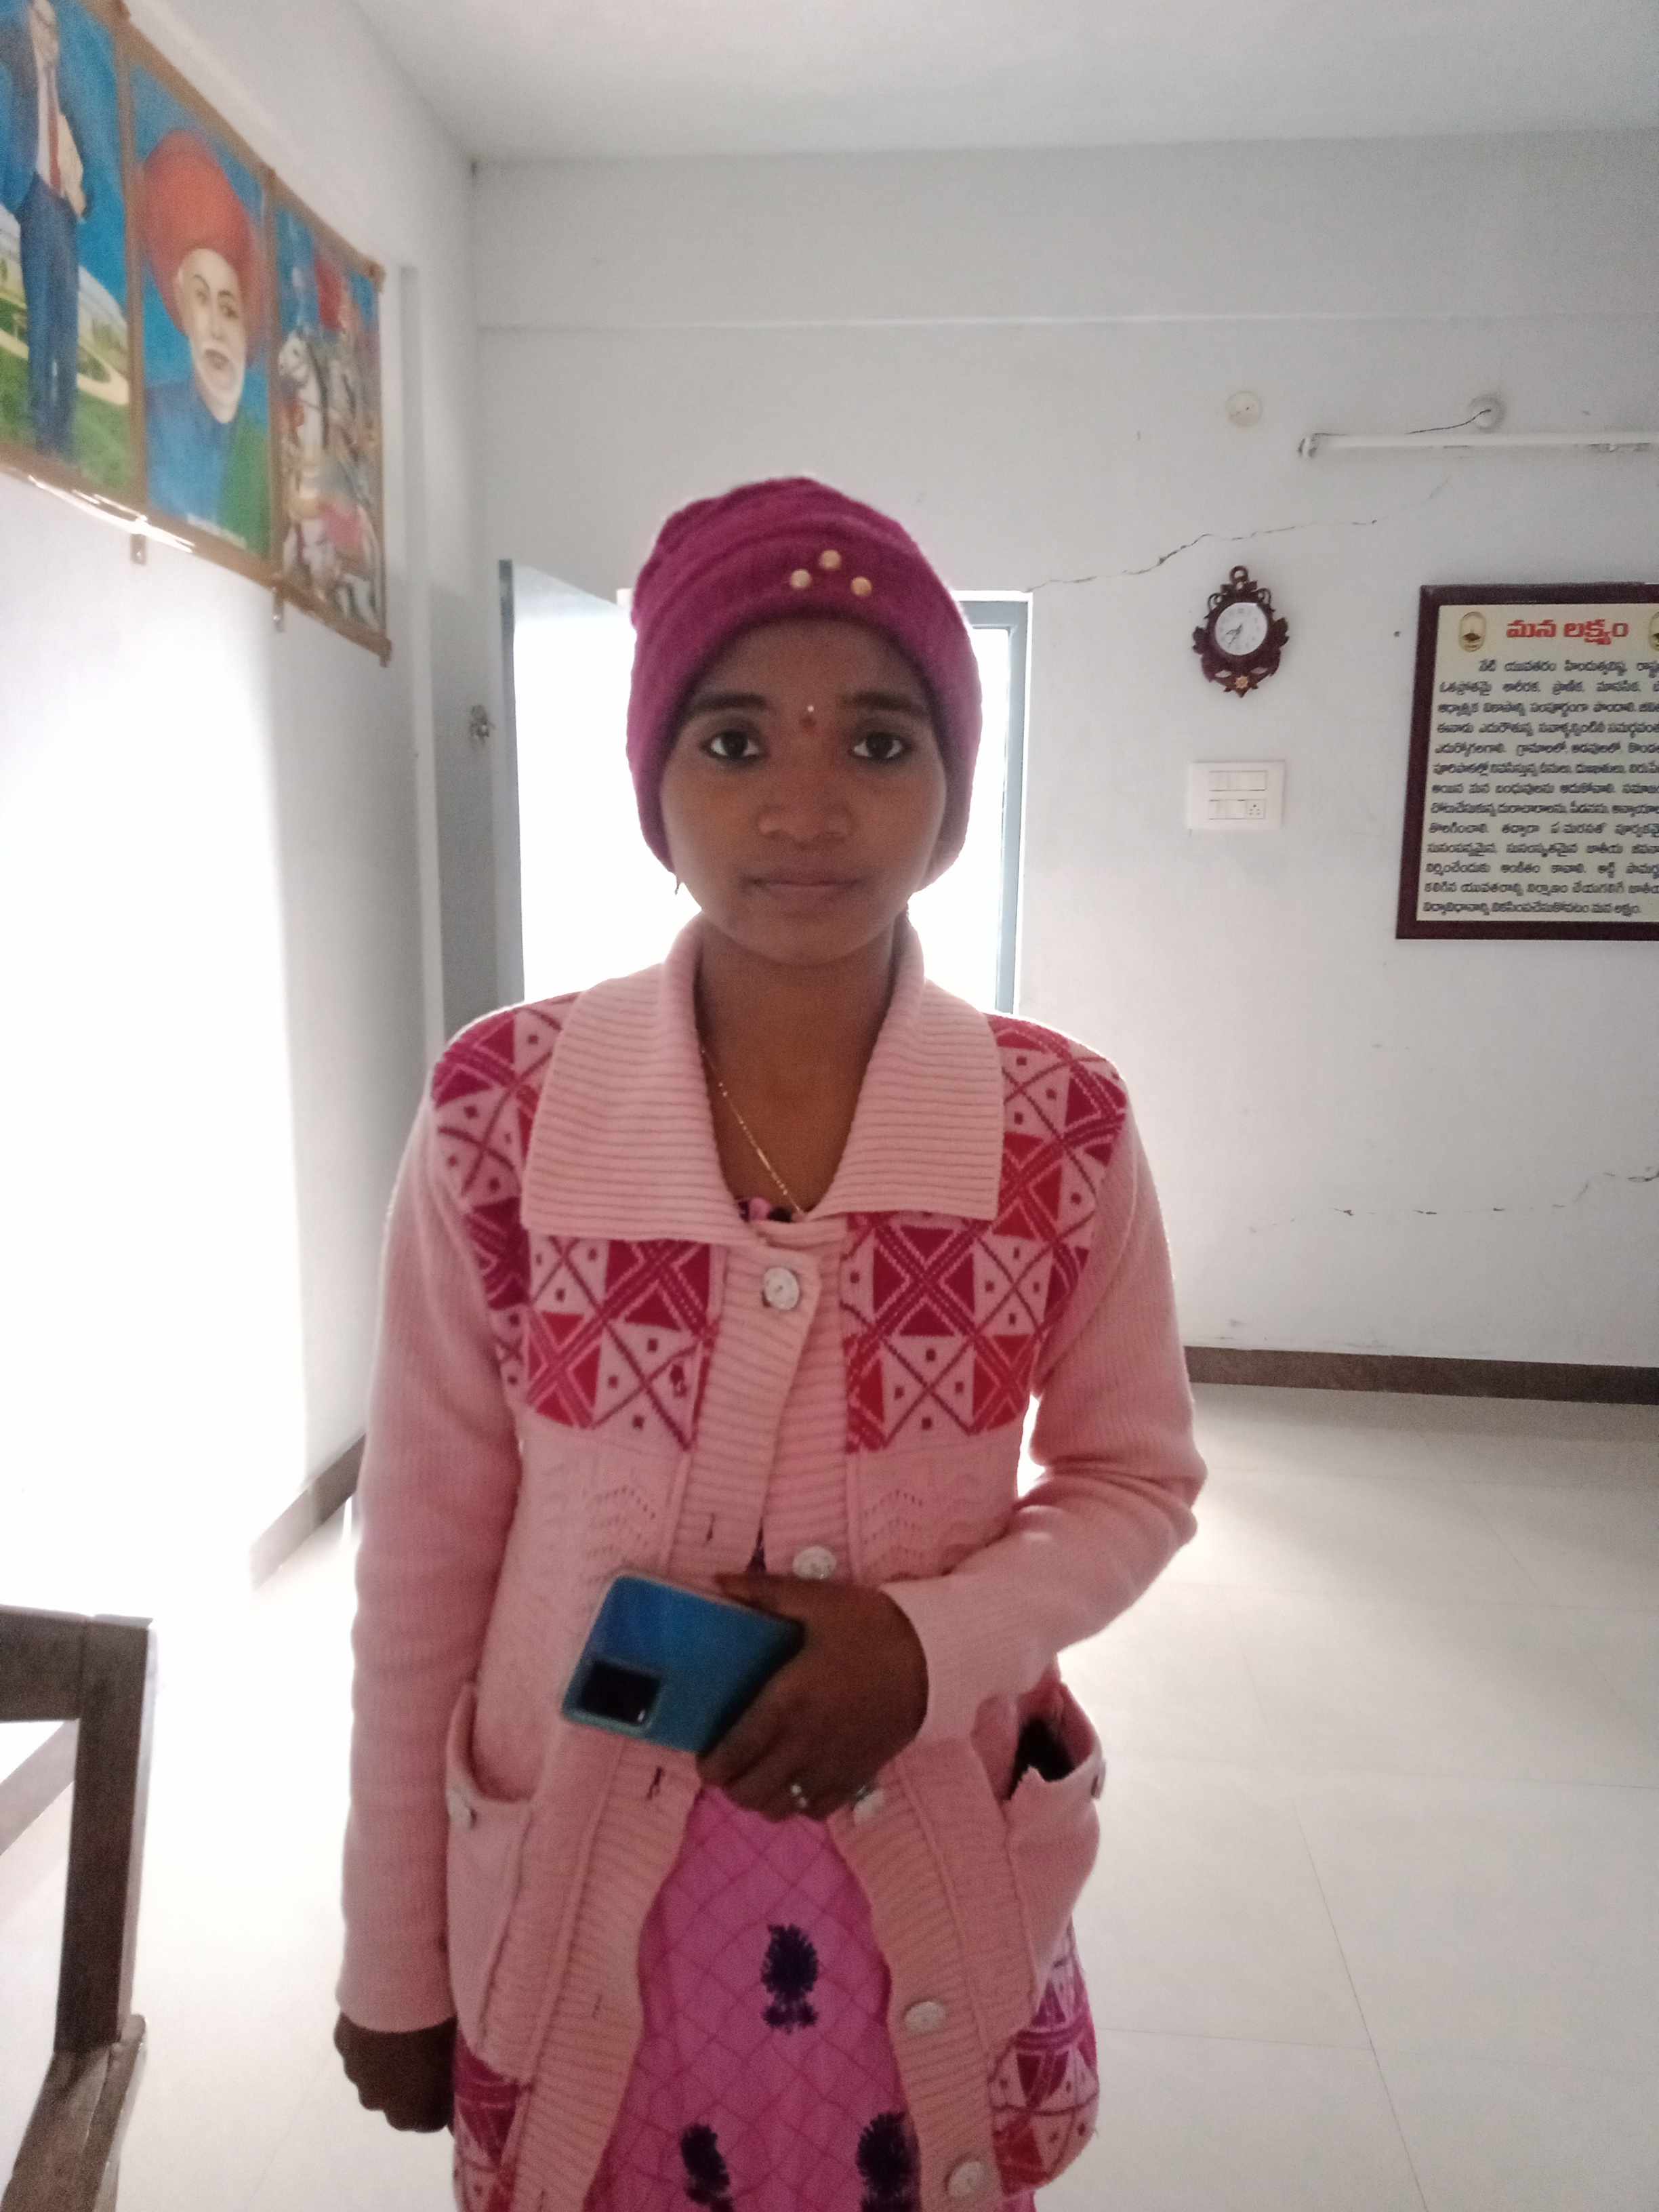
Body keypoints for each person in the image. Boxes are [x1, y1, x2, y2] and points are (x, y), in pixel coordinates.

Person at [333, 476, 1207, 2212]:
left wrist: (929, 1647)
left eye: (878, 742)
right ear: (653, 785)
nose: (806, 805)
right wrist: (393, 1958)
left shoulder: (1057, 1127)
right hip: (583, 1903)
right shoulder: (505, 1114)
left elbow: (1135, 1478)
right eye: (733, 742)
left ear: (953, 791)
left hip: (925, 1892)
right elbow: (422, 1559)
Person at [137, 126, 268, 552]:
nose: (215, 327)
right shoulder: (151, 416)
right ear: (181, 309)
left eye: (228, 308)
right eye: (200, 299)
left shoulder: (263, 458)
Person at [0, 0, 89, 458]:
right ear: (29, 22)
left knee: (67, 327)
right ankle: (41, 432)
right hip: (35, 200)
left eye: (55, 27)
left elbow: (78, 147)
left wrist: (82, 196)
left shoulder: (65, 89)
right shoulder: (18, 58)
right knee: (40, 320)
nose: (49, 34)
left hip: (65, 211)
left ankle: (65, 431)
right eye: (42, 22)